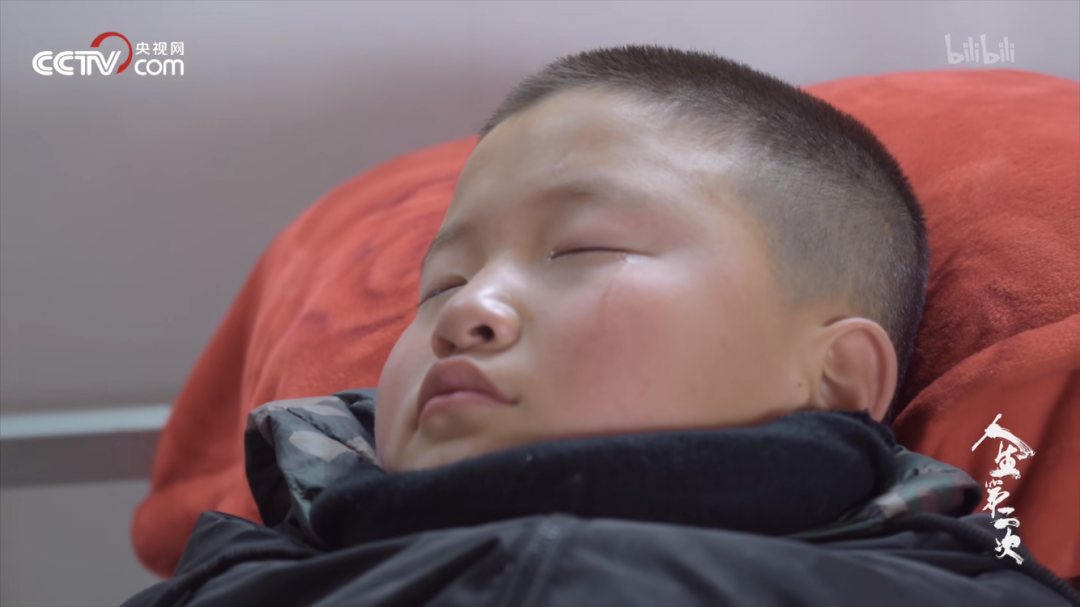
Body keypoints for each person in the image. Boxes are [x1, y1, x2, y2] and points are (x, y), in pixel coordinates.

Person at [123, 45, 1080, 606]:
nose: (467, 311)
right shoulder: (229, 579)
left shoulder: (968, 588)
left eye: (583, 250)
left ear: (833, 376)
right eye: (441, 282)